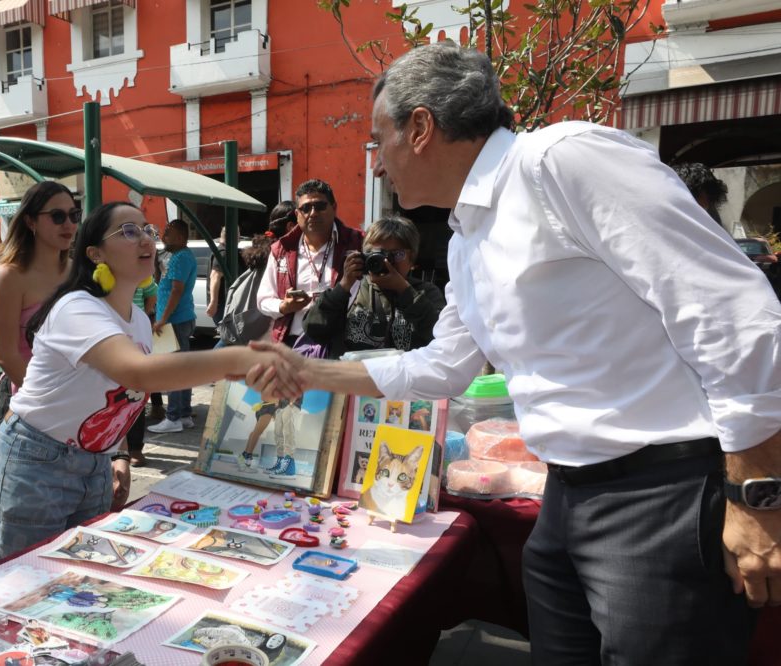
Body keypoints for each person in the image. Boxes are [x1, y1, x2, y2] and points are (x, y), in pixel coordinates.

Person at [246, 41, 781, 664]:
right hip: (566, 502)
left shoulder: (562, 161)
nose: (376, 167)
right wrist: (308, 371)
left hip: (664, 495)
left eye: (379, 139)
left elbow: (734, 315)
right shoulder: (469, 233)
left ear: (421, 127)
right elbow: (442, 364)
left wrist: (757, 495)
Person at [0, 201, 288, 562]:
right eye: (128, 231)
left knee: (77, 574)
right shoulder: (76, 307)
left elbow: (124, 394)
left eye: (147, 230)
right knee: (21, 579)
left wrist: (119, 453)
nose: (145, 240)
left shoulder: (138, 320)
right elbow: (137, 373)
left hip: (93, 461)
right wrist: (237, 359)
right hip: (36, 461)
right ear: (94, 254)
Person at [0, 181, 78, 430]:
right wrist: (52, 403)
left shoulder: (76, 272)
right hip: (27, 400)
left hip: (74, 403)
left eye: (74, 214)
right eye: (57, 216)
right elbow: (6, 356)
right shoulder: (9, 276)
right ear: (30, 221)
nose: (69, 224)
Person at [303, 215, 444, 358]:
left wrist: (405, 291)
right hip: (354, 376)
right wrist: (343, 286)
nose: (387, 261)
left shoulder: (425, 292)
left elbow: (443, 337)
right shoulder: (352, 287)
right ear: (365, 255)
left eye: (396, 254)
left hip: (405, 377)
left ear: (412, 257)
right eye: (378, 254)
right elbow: (314, 331)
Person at [256, 180, 363, 347]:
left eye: (320, 206)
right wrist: (284, 306)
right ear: (297, 214)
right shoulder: (282, 249)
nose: (313, 213)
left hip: (340, 342)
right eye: (305, 208)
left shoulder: (357, 242)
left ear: (334, 208)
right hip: (292, 342)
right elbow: (263, 300)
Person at [148, 219, 198, 434]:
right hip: (176, 319)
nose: (163, 235)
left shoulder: (180, 258)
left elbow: (177, 290)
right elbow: (166, 284)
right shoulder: (177, 256)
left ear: (180, 236)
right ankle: (184, 414)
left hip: (174, 321)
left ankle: (174, 416)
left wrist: (162, 318)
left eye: (168, 232)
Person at [127, 272, 158, 467]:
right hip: (108, 336)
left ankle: (135, 447)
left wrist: (143, 315)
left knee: (136, 394)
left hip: (135, 338)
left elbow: (152, 294)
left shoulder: (139, 272)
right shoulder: (97, 273)